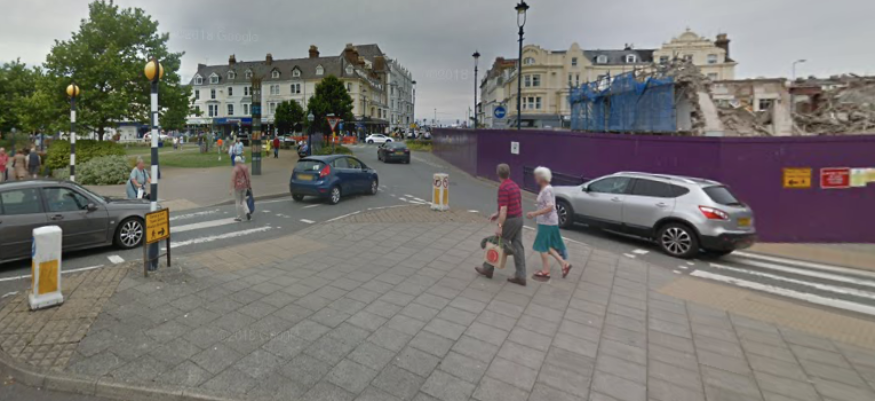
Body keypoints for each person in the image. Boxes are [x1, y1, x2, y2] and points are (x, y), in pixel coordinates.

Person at [476, 163, 527, 286]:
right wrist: (497, 213)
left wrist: (499, 226)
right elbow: (514, 203)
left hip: (510, 220)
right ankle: (521, 275)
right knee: (518, 246)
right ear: (509, 173)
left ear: (497, 174)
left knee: (496, 241)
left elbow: (504, 210)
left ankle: (488, 269)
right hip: (519, 218)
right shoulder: (514, 185)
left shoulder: (503, 188)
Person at [526, 167, 572, 281]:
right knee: (547, 246)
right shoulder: (547, 188)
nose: (535, 178)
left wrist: (534, 213)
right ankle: (564, 264)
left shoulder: (547, 190)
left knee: (542, 246)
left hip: (547, 222)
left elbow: (550, 207)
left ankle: (546, 271)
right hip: (547, 222)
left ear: (541, 177)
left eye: (536, 176)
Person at [230, 156, 252, 221]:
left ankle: (239, 216)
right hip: (244, 186)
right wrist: (249, 186)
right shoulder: (245, 167)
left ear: (235, 162)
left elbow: (233, 179)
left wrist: (230, 188)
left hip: (237, 187)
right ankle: (247, 212)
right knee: (243, 200)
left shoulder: (235, 169)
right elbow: (248, 177)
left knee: (238, 201)